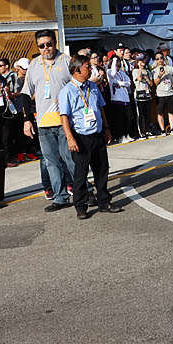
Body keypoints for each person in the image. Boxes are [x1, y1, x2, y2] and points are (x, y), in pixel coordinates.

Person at [58, 55, 123, 220]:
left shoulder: (92, 87)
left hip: (97, 134)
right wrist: (70, 138)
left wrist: (106, 128)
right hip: (81, 137)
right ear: (77, 69)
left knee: (102, 170)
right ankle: (81, 206)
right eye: (87, 66)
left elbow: (101, 108)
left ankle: (104, 201)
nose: (91, 69)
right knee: (80, 173)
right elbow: (64, 116)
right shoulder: (67, 91)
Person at [22, 30, 77, 211]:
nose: (46, 48)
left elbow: (77, 88)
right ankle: (60, 197)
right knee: (51, 162)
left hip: (65, 122)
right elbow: (25, 93)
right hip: (44, 124)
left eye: (49, 44)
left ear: (55, 43)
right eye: (42, 46)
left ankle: (82, 191)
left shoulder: (66, 61)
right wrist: (27, 120)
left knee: (70, 159)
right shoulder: (34, 65)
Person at [152, 52, 173, 135]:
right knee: (160, 113)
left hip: (170, 93)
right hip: (160, 94)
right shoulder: (154, 70)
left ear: (164, 59)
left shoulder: (169, 68)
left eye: (161, 58)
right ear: (155, 60)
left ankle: (172, 128)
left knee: (171, 112)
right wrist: (160, 75)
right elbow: (155, 83)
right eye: (157, 59)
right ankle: (162, 130)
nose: (160, 60)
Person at [132, 55, 154, 138]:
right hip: (139, 95)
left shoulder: (148, 71)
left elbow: (151, 84)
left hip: (147, 94)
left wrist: (147, 78)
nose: (142, 63)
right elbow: (139, 79)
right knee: (141, 115)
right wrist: (140, 68)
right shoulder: (135, 71)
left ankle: (148, 130)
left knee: (147, 113)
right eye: (140, 61)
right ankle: (142, 132)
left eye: (143, 61)